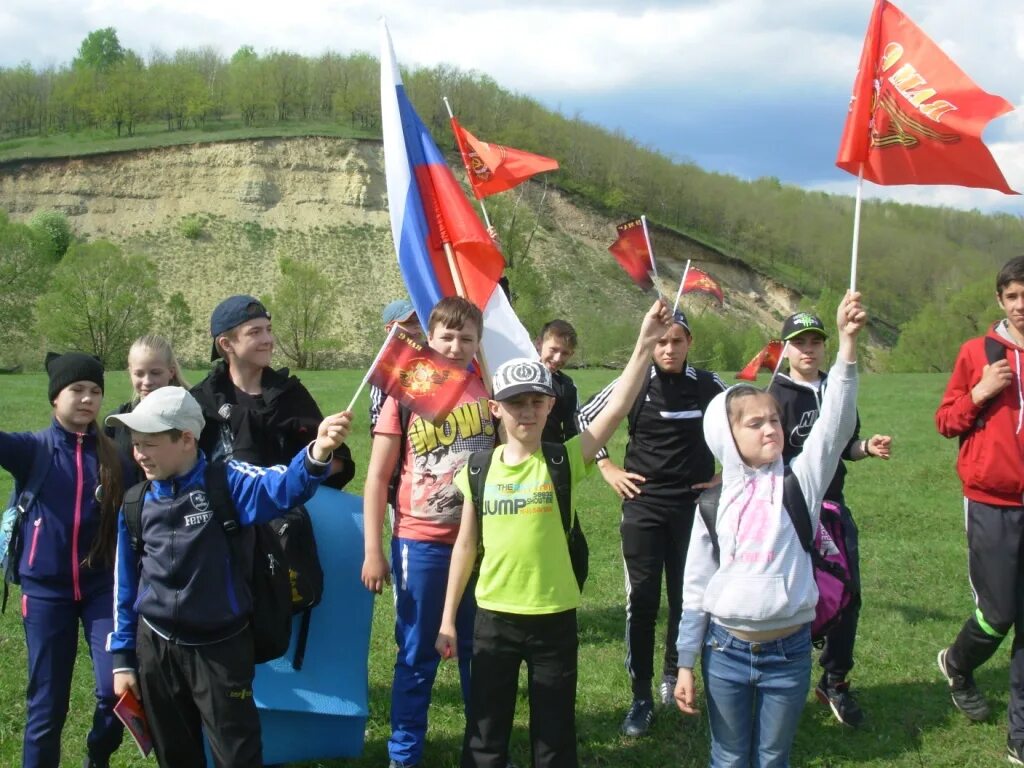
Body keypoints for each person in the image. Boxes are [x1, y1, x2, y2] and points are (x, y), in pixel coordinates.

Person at [435, 299, 673, 768]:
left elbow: (618, 406)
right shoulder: (479, 469)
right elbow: (465, 545)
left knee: (555, 734)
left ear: (550, 405)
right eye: (515, 403)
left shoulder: (564, 459)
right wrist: (447, 619)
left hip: (554, 618)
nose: (526, 411)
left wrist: (645, 344)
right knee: (484, 732)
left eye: (536, 402)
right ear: (495, 409)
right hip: (493, 619)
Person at [105, 386, 352, 768]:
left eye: (149, 444)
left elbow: (283, 488)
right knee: (175, 756)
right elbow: (124, 587)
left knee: (237, 755)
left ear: (186, 439)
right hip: (155, 649)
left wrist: (317, 453)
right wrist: (123, 660)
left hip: (220, 649)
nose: (139, 454)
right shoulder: (136, 502)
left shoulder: (229, 482)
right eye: (136, 444)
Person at [674, 290, 865, 768]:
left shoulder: (801, 482)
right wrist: (684, 662)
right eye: (754, 423)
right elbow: (695, 588)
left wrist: (846, 347)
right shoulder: (713, 503)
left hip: (790, 653)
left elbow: (834, 426)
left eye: (774, 421)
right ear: (726, 437)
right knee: (729, 756)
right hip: (725, 652)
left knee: (774, 756)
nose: (770, 430)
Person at [362, 296, 497, 768]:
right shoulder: (410, 387)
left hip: (482, 545)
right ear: (429, 338)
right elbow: (377, 476)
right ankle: (404, 755)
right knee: (417, 652)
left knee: (480, 653)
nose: (456, 345)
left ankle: (481, 754)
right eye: (446, 335)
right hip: (420, 540)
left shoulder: (490, 387)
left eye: (466, 337)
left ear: (479, 341)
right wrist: (373, 550)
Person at [576, 309, 725, 735]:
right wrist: (607, 469)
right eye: (661, 341)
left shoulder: (708, 384)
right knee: (641, 600)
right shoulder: (636, 380)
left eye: (676, 341)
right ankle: (640, 694)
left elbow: (745, 417)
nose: (668, 348)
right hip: (643, 503)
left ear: (688, 342)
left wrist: (726, 472)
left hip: (694, 507)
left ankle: (673, 676)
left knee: (686, 597)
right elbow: (584, 418)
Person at [1, 352, 129, 768]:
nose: (87, 399)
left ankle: (98, 755)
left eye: (95, 391)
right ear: (55, 397)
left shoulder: (115, 456)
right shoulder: (31, 450)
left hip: (101, 590)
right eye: (77, 390)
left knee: (115, 690)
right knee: (46, 705)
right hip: (45, 593)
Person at [768, 311, 892, 727]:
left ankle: (835, 680)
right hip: (789, 511)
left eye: (815, 342)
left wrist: (865, 448)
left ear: (825, 347)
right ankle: (777, 680)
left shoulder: (835, 389)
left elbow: (843, 448)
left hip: (834, 506)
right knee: (790, 596)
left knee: (847, 593)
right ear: (785, 347)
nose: (808, 350)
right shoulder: (774, 395)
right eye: (799, 343)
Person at [935, 255, 1024, 763]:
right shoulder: (978, 351)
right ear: (999, 300)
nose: (1020, 305)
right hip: (991, 501)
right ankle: (958, 663)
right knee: (998, 613)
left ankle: (1020, 733)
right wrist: (981, 390)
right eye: (1012, 296)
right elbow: (945, 421)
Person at [191, 294, 354, 489]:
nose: (268, 339)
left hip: (290, 508)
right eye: (255, 332)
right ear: (226, 344)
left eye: (268, 330)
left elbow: (336, 462)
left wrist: (293, 479)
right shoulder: (203, 400)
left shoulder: (289, 394)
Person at [105, 334, 189, 467]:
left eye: (155, 373)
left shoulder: (191, 413)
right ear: (130, 372)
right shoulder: (115, 423)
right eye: (139, 374)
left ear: (171, 371)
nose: (147, 382)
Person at [369, 298, 423, 434]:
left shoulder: (431, 357)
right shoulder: (383, 367)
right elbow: (378, 415)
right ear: (389, 329)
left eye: (418, 321)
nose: (417, 326)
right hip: (401, 435)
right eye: (409, 323)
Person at [537, 319, 580, 444]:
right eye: (553, 349)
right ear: (539, 343)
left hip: (551, 454)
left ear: (571, 354)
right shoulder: (517, 377)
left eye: (565, 353)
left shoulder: (567, 386)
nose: (557, 358)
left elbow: (572, 429)